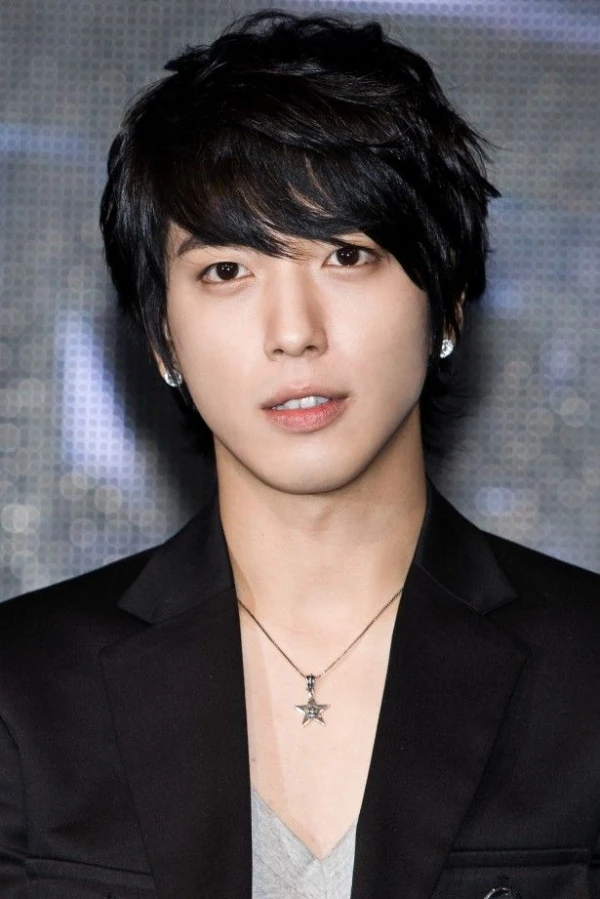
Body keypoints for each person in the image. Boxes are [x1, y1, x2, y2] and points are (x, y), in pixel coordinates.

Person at [0, 9, 598, 899]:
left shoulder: (586, 672)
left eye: (347, 255)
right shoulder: (22, 688)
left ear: (448, 300)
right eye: (227, 271)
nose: (293, 332)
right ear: (162, 338)